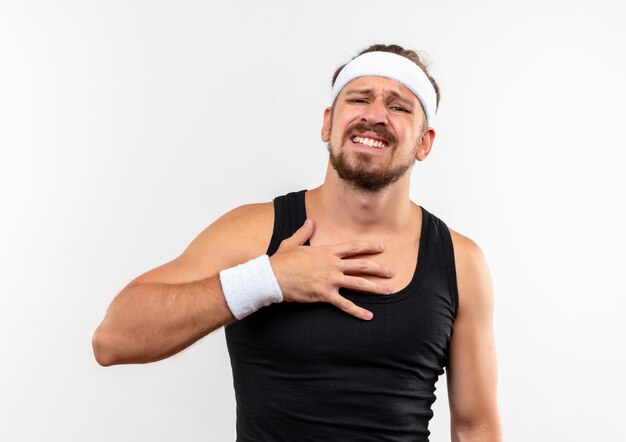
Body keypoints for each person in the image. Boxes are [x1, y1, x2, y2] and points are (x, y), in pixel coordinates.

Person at [93, 43, 501, 441]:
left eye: (398, 106)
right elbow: (113, 340)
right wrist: (268, 279)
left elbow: (475, 427)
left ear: (424, 142)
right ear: (327, 122)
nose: (375, 115)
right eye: (359, 99)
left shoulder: (460, 261)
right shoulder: (254, 232)